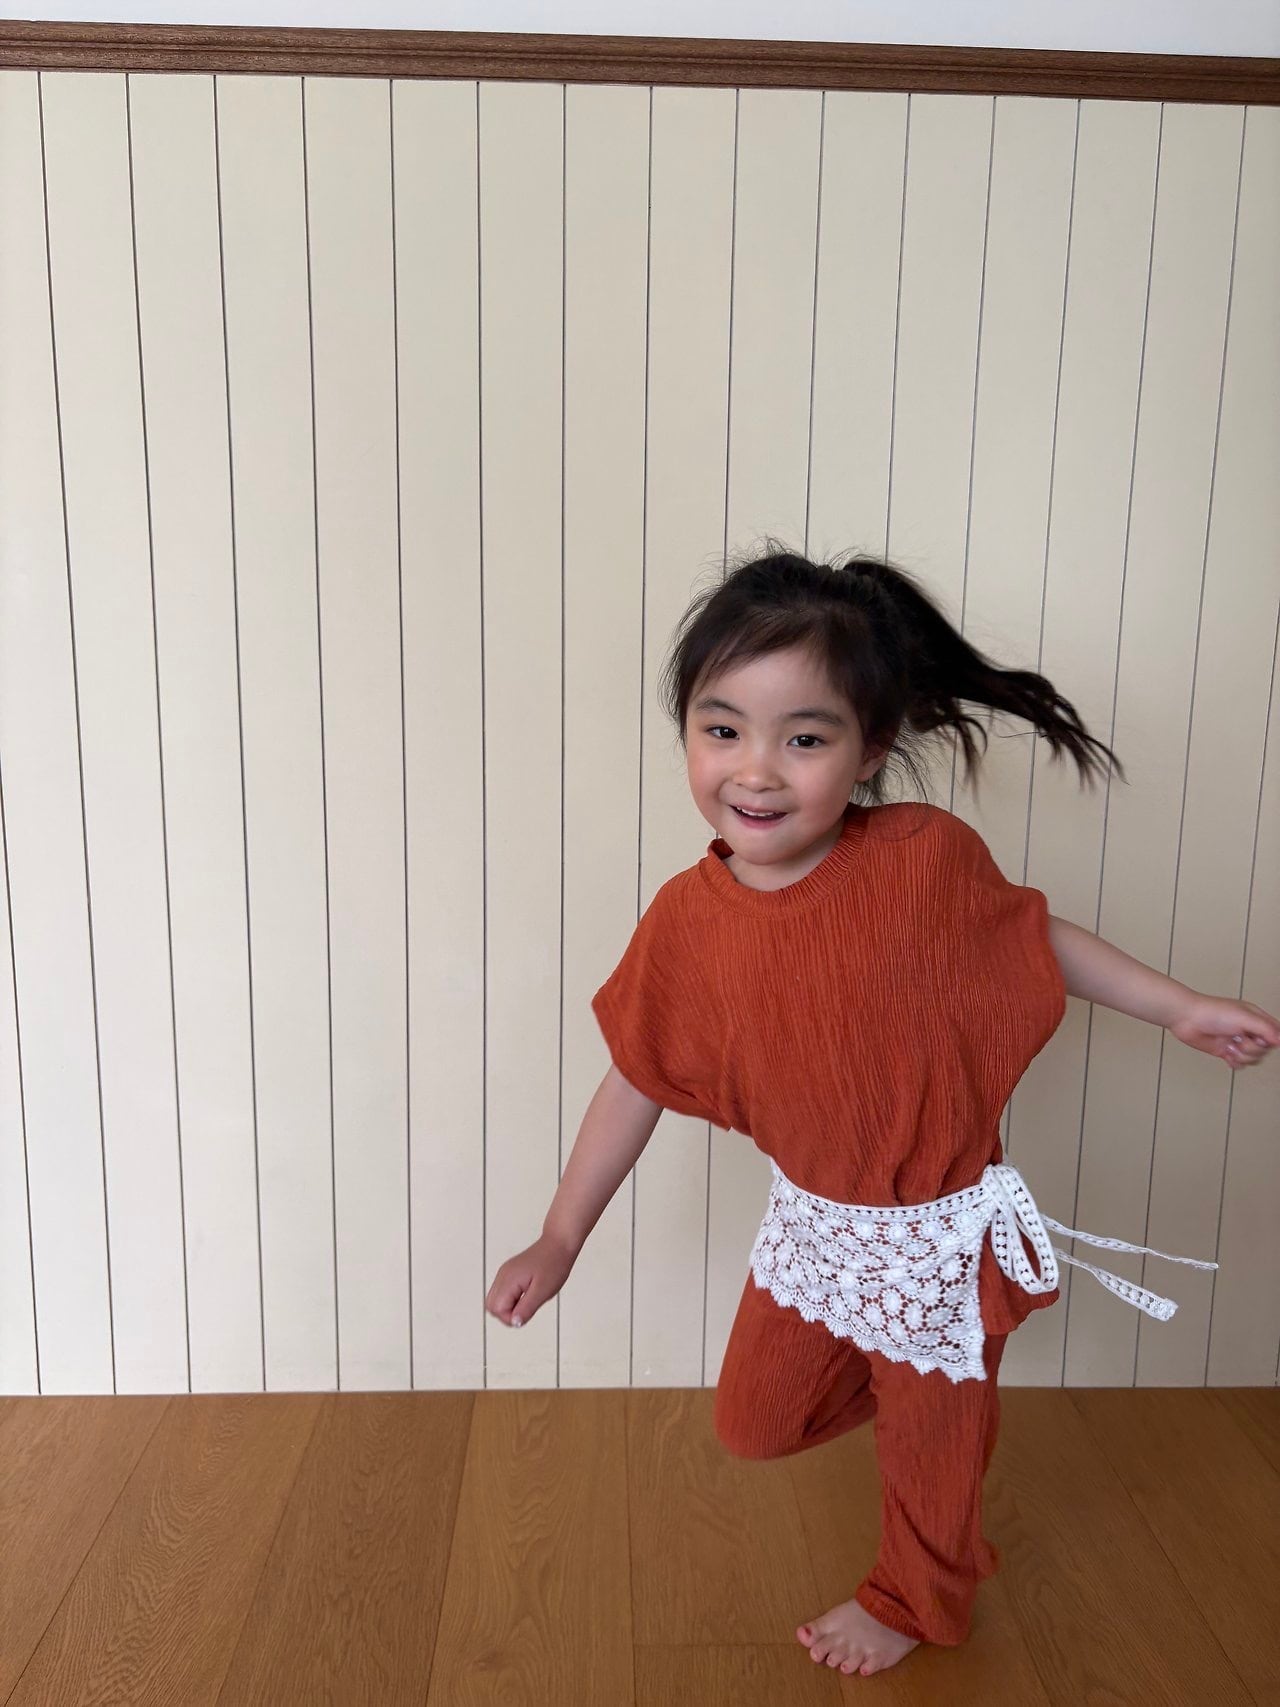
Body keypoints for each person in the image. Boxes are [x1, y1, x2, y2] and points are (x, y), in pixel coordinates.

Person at [484, 545, 1279, 1679]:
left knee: (929, 1446)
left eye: (803, 739)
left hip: (940, 1230)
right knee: (753, 1422)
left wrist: (1181, 1008)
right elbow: (637, 1075)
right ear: (687, 731)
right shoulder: (686, 921)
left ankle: (915, 1586)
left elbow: (1032, 939)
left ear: (869, 751)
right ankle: (934, 1398)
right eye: (722, 729)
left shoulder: (920, 859)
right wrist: (559, 1235)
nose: (756, 770)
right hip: (817, 1229)